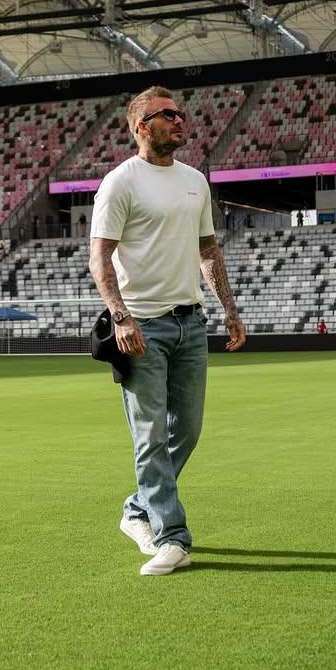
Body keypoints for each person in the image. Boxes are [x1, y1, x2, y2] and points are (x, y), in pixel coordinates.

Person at [89, 86, 245, 578]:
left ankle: (136, 509)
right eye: (167, 115)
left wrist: (230, 310)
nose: (180, 120)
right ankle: (172, 535)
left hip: (190, 323)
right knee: (150, 434)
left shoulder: (195, 180)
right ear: (142, 126)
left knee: (188, 430)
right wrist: (121, 317)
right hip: (143, 326)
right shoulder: (120, 183)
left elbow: (208, 251)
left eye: (180, 114)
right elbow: (100, 256)